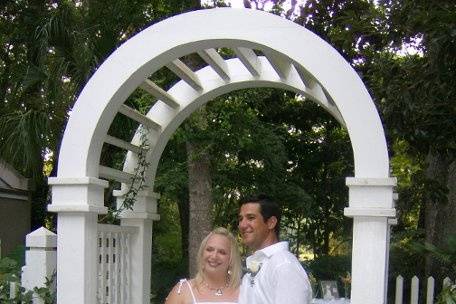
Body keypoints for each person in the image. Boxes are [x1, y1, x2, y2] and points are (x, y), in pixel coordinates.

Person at [238, 195, 312, 304]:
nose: (242, 225)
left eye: (251, 218)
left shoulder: (284, 265)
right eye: (240, 219)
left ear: (271, 223)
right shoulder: (256, 264)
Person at [165, 227, 242, 304]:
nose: (214, 256)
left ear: (231, 259)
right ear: (202, 254)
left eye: (222, 252)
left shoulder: (244, 290)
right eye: (209, 249)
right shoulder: (182, 291)